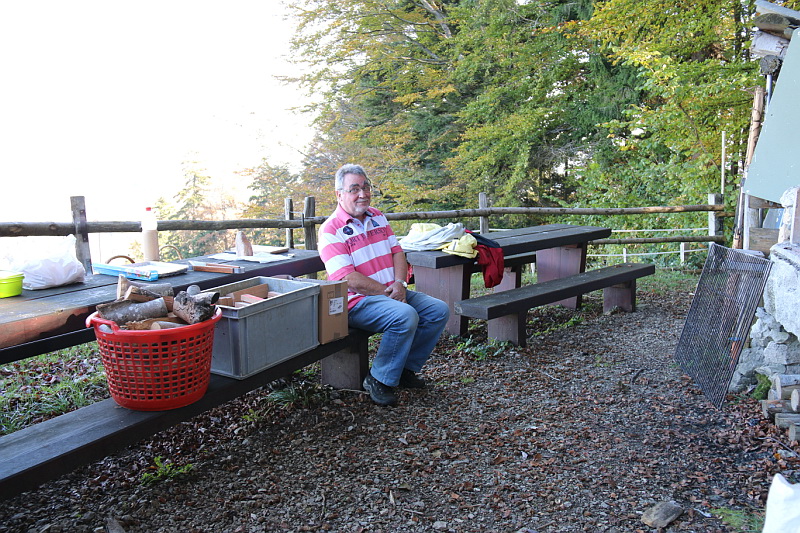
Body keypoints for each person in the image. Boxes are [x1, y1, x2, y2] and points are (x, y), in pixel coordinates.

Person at [318, 164, 450, 406]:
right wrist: (389, 293)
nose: (363, 194)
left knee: (437, 310)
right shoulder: (331, 230)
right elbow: (346, 278)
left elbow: (397, 252)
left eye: (366, 187)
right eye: (354, 189)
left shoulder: (377, 216)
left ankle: (404, 369)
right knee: (404, 315)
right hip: (356, 302)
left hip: (391, 292)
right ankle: (379, 379)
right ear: (339, 194)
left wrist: (400, 283)